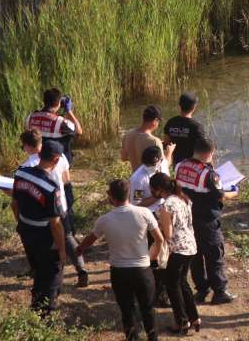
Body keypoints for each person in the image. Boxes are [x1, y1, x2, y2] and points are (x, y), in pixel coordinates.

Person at [77, 179, 165, 341]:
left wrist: (79, 249)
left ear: (110, 196)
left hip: (119, 271)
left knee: (127, 309)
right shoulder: (144, 213)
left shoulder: (105, 219)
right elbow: (159, 239)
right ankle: (153, 338)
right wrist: (151, 257)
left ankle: (132, 338)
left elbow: (90, 240)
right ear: (128, 194)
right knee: (147, 309)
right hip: (143, 270)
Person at [20, 131, 89, 287]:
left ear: (27, 146)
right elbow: (66, 180)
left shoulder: (27, 166)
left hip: (41, 211)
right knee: (68, 237)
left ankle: (41, 271)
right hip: (61, 204)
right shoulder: (61, 156)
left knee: (44, 243)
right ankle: (81, 269)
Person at [174, 136, 237, 304]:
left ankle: (201, 289)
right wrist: (234, 191)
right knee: (214, 255)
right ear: (211, 153)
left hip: (188, 218)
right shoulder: (208, 174)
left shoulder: (180, 166)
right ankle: (220, 292)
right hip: (207, 221)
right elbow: (221, 196)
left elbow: (180, 188)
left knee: (195, 255)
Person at [11, 142, 68, 315]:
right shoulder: (51, 188)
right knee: (51, 276)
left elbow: (14, 203)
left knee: (37, 267)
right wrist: (62, 250)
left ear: (40, 154)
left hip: (25, 230)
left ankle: (35, 303)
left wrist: (21, 223)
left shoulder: (21, 173)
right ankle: (46, 314)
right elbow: (56, 224)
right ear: (56, 160)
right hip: (44, 236)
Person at [149, 172, 201, 336]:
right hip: (190, 246)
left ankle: (182, 321)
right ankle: (194, 317)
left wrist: (156, 227)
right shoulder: (183, 198)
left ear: (158, 190)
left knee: (172, 284)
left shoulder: (166, 205)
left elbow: (168, 234)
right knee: (182, 282)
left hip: (178, 249)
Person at [27, 87, 82, 163]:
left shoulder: (31, 117)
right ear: (58, 103)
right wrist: (69, 111)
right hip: (56, 161)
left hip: (37, 160)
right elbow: (79, 131)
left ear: (44, 101)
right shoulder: (60, 122)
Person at [122, 106, 173, 173]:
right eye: (158, 121)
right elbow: (164, 167)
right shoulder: (154, 141)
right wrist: (170, 152)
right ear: (155, 120)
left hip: (134, 179)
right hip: (148, 181)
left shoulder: (127, 134)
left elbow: (124, 157)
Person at [164, 93, 204, 168]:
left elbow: (166, 143)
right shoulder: (197, 127)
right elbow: (202, 150)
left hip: (176, 165)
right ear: (194, 107)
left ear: (179, 106)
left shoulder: (171, 122)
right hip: (192, 167)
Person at [129, 145, 167, 209]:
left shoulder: (163, 165)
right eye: (147, 164)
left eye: (153, 164)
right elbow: (137, 203)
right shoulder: (138, 179)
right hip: (150, 212)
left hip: (165, 208)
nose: (149, 167)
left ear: (161, 160)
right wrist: (158, 196)